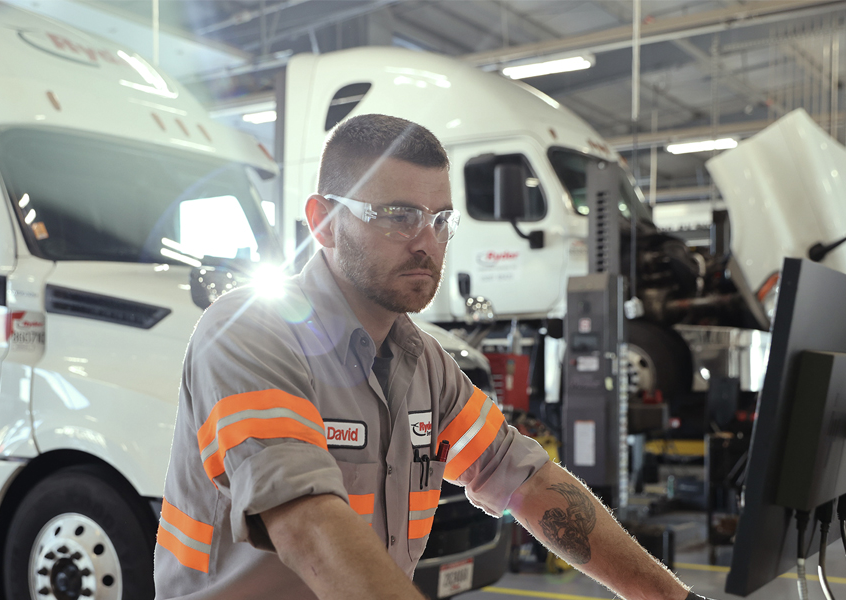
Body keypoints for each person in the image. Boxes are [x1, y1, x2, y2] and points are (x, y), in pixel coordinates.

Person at [154, 114, 710, 600]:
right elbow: (308, 523)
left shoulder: (422, 363)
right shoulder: (250, 333)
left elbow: (527, 480)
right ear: (323, 220)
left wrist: (671, 598)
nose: (427, 241)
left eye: (441, 219)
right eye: (398, 215)